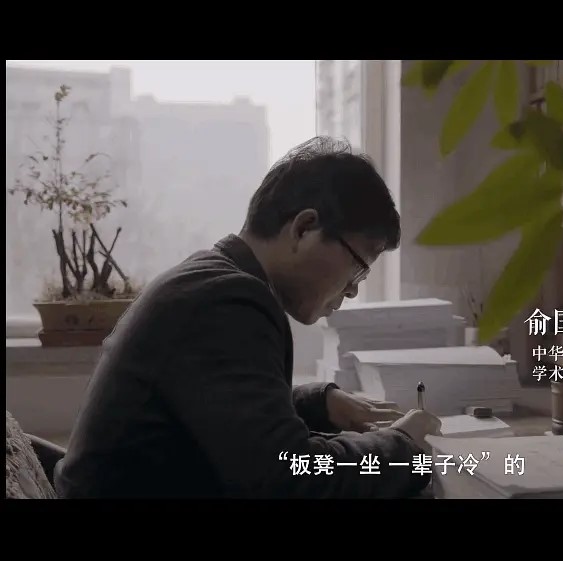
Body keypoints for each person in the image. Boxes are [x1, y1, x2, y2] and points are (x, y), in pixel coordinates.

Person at [54, 137, 441, 499]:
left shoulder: (211, 280)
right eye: (358, 268)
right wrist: (402, 446)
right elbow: (286, 476)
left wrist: (318, 405)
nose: (353, 290)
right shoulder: (227, 302)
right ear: (304, 228)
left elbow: (220, 412)